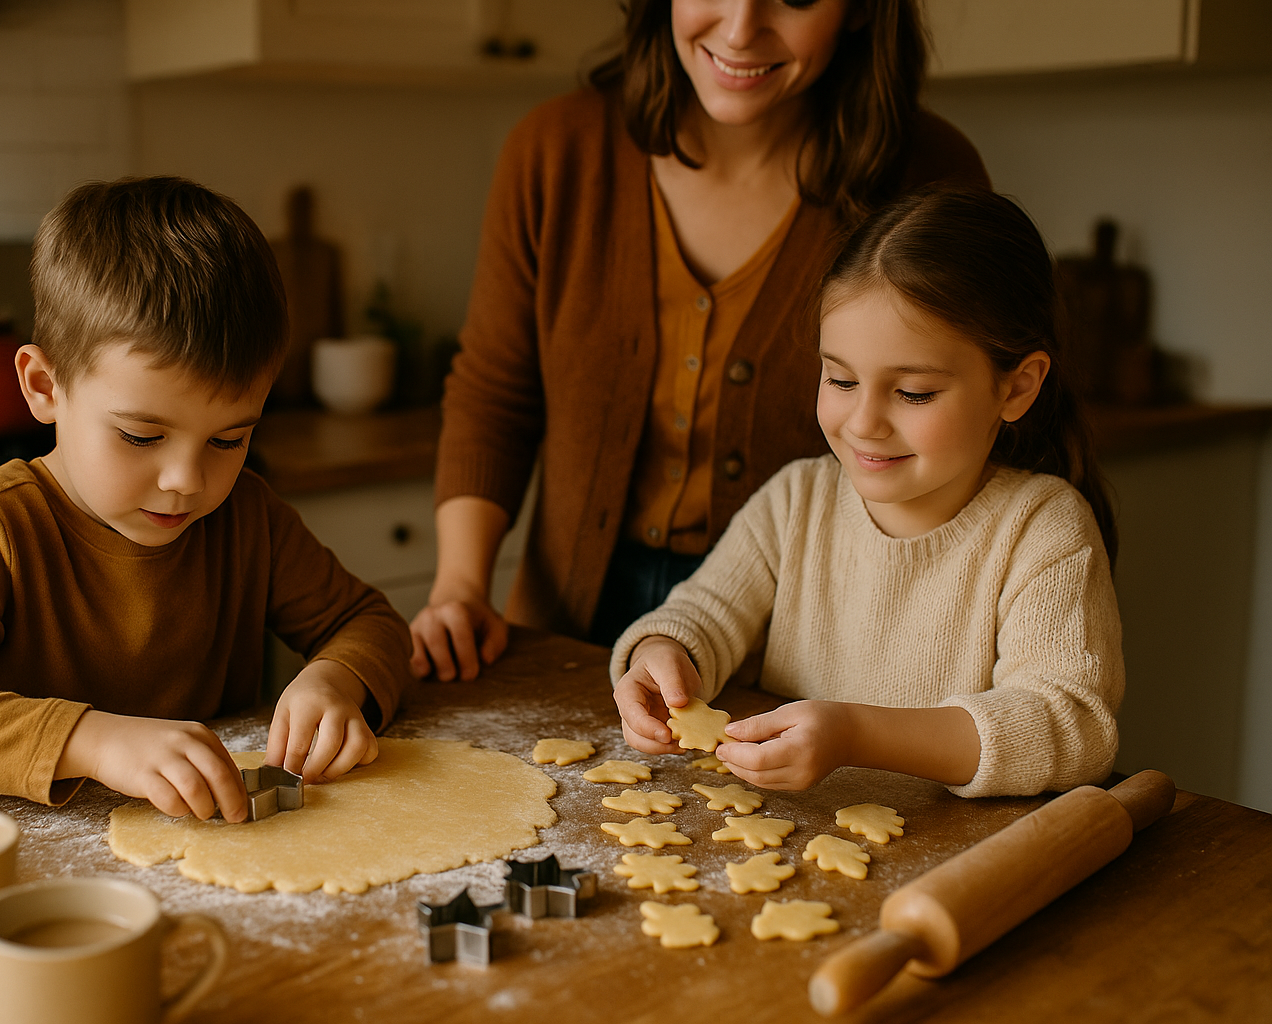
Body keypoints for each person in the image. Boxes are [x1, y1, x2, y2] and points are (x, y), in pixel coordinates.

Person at [411, 0, 991, 682]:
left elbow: (959, 444)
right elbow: (495, 393)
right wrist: (459, 586)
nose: (740, 29)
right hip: (565, 632)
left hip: (797, 663)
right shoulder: (555, 152)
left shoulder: (927, 178)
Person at [0, 177, 411, 821]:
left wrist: (339, 678)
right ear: (44, 386)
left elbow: (372, 623)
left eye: (229, 440)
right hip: (29, 865)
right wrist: (92, 741)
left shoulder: (246, 516)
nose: (186, 480)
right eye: (141, 435)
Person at [611, 185, 1123, 798]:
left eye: (913, 393)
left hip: (958, 871)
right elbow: (704, 615)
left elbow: (1069, 726)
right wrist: (663, 656)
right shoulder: (796, 502)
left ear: (1016, 387)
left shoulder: (1042, 528)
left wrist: (857, 733)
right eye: (841, 379)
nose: (863, 423)